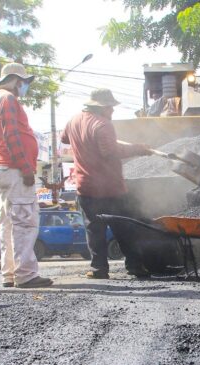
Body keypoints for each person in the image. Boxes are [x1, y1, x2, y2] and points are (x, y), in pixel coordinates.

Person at [60, 89, 152, 279]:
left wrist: (84, 138)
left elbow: (64, 139)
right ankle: (135, 266)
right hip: (110, 188)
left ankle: (99, 270)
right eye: (110, 107)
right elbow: (109, 152)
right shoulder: (103, 124)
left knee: (94, 230)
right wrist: (139, 149)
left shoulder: (73, 121)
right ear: (102, 107)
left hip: (85, 188)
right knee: (124, 228)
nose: (112, 111)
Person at [0, 62, 52, 288]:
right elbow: (12, 135)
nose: (24, 87)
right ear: (17, 81)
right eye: (24, 82)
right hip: (15, 169)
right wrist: (26, 167)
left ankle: (10, 273)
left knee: (8, 223)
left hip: (6, 168)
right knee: (24, 220)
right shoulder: (7, 99)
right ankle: (25, 274)